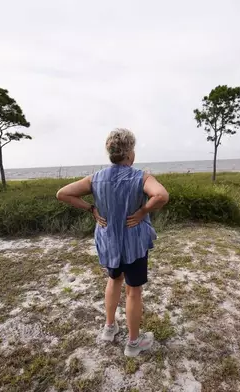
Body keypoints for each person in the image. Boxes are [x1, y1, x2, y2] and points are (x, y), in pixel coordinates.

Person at [56, 128, 169, 357]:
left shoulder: (96, 178)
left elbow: (63, 193)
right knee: (134, 291)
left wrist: (91, 209)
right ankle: (134, 344)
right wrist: (143, 211)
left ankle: (109, 328)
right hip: (134, 244)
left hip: (109, 243)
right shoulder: (141, 177)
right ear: (129, 153)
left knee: (113, 280)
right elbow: (162, 196)